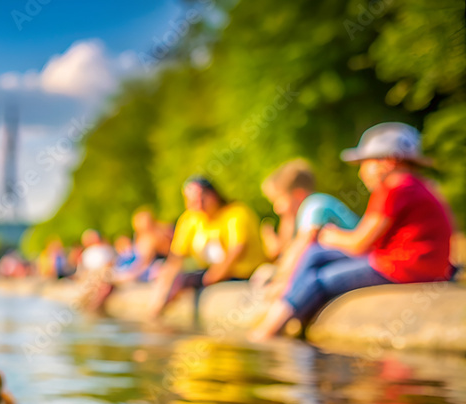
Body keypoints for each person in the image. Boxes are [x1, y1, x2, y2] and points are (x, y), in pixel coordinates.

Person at [249, 123, 454, 341]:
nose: (361, 172)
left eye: (365, 163)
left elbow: (359, 244)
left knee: (321, 280)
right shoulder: (414, 185)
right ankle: (282, 307)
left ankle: (267, 332)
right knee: (315, 253)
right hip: (415, 263)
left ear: (388, 161)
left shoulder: (394, 188)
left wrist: (332, 236)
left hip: (406, 266)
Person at [148, 177, 266, 318]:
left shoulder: (236, 213)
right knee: (174, 276)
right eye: (191, 201)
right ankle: (156, 312)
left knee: (183, 279)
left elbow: (237, 250)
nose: (198, 205)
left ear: (213, 195)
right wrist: (166, 277)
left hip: (242, 274)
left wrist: (214, 276)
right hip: (211, 272)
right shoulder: (190, 219)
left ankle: (157, 313)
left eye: (201, 199)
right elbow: (176, 258)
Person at [258, 159, 360, 299]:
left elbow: (301, 247)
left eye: (279, 200)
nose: (277, 208)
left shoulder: (314, 205)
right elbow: (290, 249)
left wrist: (281, 282)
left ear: (298, 194)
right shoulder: (304, 211)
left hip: (357, 257)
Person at [114, 208, 173, 283]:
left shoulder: (150, 238)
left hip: (159, 266)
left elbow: (144, 263)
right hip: (160, 262)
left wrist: (128, 275)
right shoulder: (161, 230)